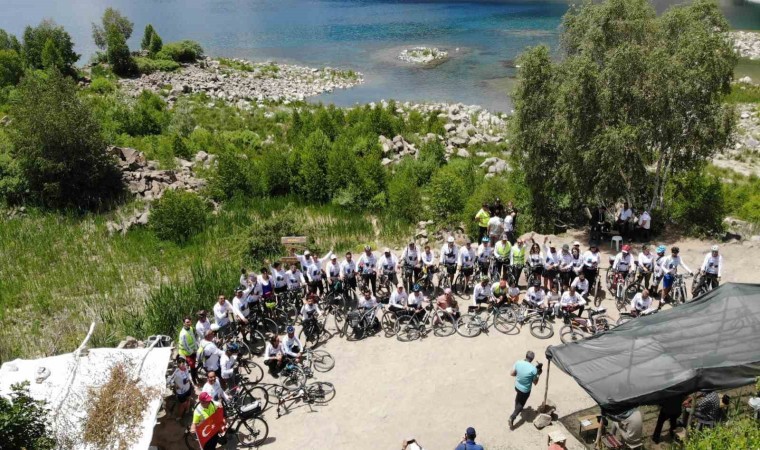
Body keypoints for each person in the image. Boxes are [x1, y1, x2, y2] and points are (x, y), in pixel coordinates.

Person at [509, 351, 542, 429]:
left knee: (518, 397)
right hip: (525, 390)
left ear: (526, 356)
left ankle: (516, 409)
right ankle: (513, 416)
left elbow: (512, 373)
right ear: (532, 359)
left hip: (517, 386)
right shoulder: (533, 369)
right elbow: (535, 382)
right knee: (521, 404)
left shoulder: (518, 362)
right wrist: (538, 374)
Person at [178, 316, 200, 384]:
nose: (189, 323)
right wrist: (191, 352)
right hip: (187, 353)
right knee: (192, 367)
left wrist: (196, 348)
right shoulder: (183, 334)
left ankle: (196, 377)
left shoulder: (190, 328)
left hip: (193, 351)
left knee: (195, 365)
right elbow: (185, 345)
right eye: (187, 322)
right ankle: (194, 380)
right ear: (184, 323)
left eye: (190, 321)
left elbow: (193, 338)